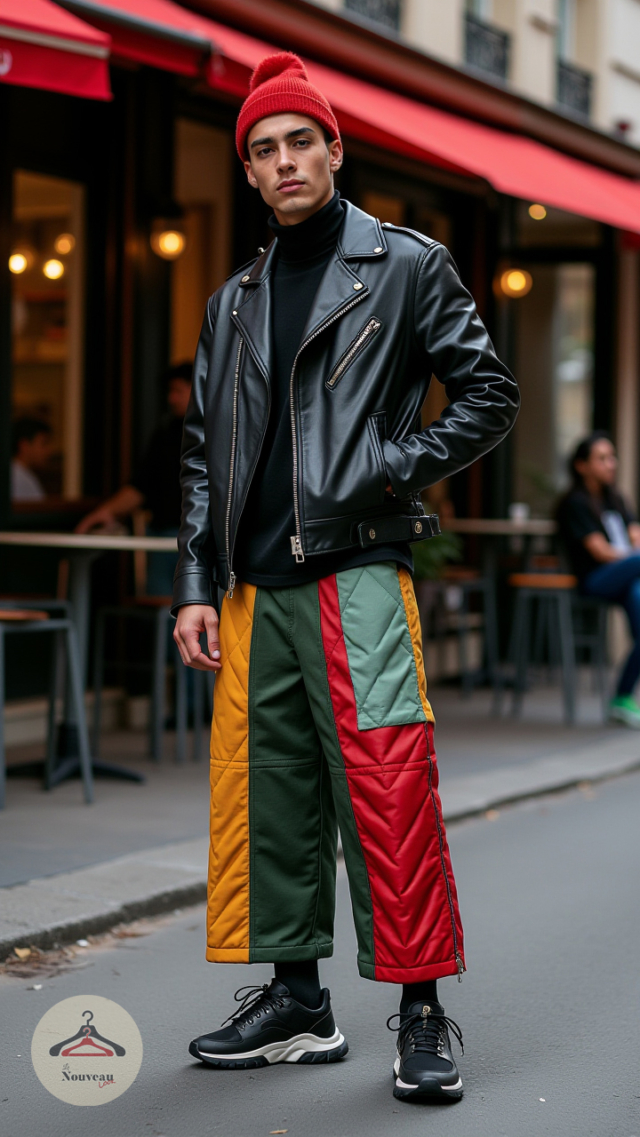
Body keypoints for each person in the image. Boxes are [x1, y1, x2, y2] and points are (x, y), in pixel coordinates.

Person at [172, 53, 519, 1104]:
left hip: (358, 576)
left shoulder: (403, 265)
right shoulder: (234, 300)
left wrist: (386, 467)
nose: (283, 162)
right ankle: (297, 1005)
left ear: (333, 149)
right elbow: (203, 452)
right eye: (263, 150)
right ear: (250, 170)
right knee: (269, 795)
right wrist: (195, 581)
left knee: (387, 788)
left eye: (298, 142)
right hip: (252, 591)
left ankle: (420, 1009)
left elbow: (487, 393)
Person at [77, 362, 192, 595]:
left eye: (177, 390)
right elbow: (142, 485)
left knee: (202, 613)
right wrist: (107, 512)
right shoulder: (167, 433)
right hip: (163, 535)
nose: (171, 398)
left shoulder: (225, 431)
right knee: (165, 612)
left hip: (202, 539)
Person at [557, 430, 640, 727]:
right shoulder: (575, 503)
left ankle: (621, 699)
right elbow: (601, 552)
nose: (611, 464)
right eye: (602, 458)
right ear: (582, 465)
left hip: (625, 577)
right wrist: (632, 558)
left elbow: (635, 536)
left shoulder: (616, 498)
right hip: (594, 580)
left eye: (612, 457)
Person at [11, 417, 52, 501]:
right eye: (44, 444)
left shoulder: (20, 474)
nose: (49, 451)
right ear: (24, 445)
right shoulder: (20, 479)